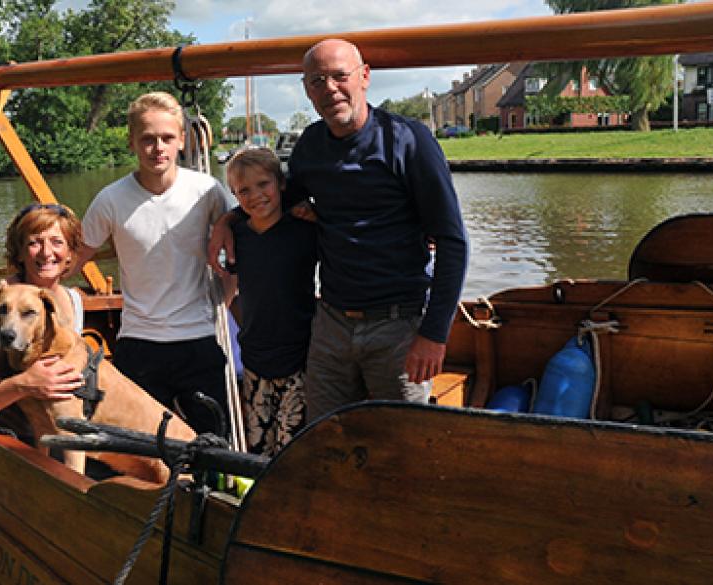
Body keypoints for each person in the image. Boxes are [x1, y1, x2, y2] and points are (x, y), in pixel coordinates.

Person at [210, 39, 468, 423]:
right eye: (316, 81)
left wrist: (434, 334)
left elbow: (452, 241)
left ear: (364, 77)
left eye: (339, 76)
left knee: (402, 440)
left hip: (398, 325)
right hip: (331, 324)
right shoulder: (311, 147)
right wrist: (227, 220)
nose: (329, 88)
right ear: (307, 91)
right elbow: (274, 204)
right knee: (324, 436)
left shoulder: (408, 141)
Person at [69, 91, 235, 435]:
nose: (157, 147)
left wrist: (226, 299)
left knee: (215, 444)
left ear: (181, 141)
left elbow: (240, 253)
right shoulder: (110, 200)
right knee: (144, 449)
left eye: (167, 138)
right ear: (132, 142)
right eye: (147, 139)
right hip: (139, 345)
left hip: (198, 341)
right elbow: (74, 258)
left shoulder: (207, 191)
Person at [223, 147, 316, 456]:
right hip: (255, 358)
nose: (255, 195)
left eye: (263, 185)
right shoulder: (235, 235)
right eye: (244, 190)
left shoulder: (306, 230)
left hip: (299, 357)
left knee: (293, 447)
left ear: (281, 185)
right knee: (259, 447)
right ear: (235, 195)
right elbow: (228, 289)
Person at [0, 203, 85, 416]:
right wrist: (24, 384)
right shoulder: (1, 308)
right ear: (19, 254)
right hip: (13, 422)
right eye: (34, 243)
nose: (46, 253)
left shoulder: (73, 299)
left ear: (70, 253)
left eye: (57, 242)